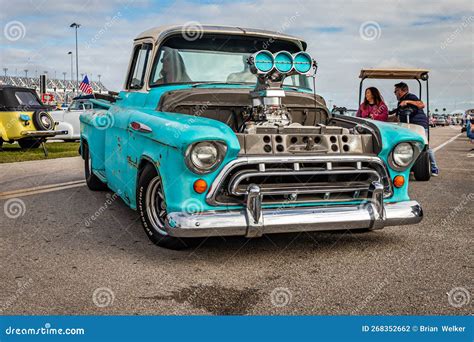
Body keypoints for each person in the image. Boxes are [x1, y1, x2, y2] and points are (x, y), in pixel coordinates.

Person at [391, 82, 439, 176]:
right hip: (407, 126)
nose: (395, 93)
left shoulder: (411, 96)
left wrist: (408, 102)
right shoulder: (400, 103)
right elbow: (396, 116)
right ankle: (412, 166)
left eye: (396, 91)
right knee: (408, 146)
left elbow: (421, 104)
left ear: (402, 90)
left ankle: (434, 168)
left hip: (419, 125)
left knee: (424, 146)